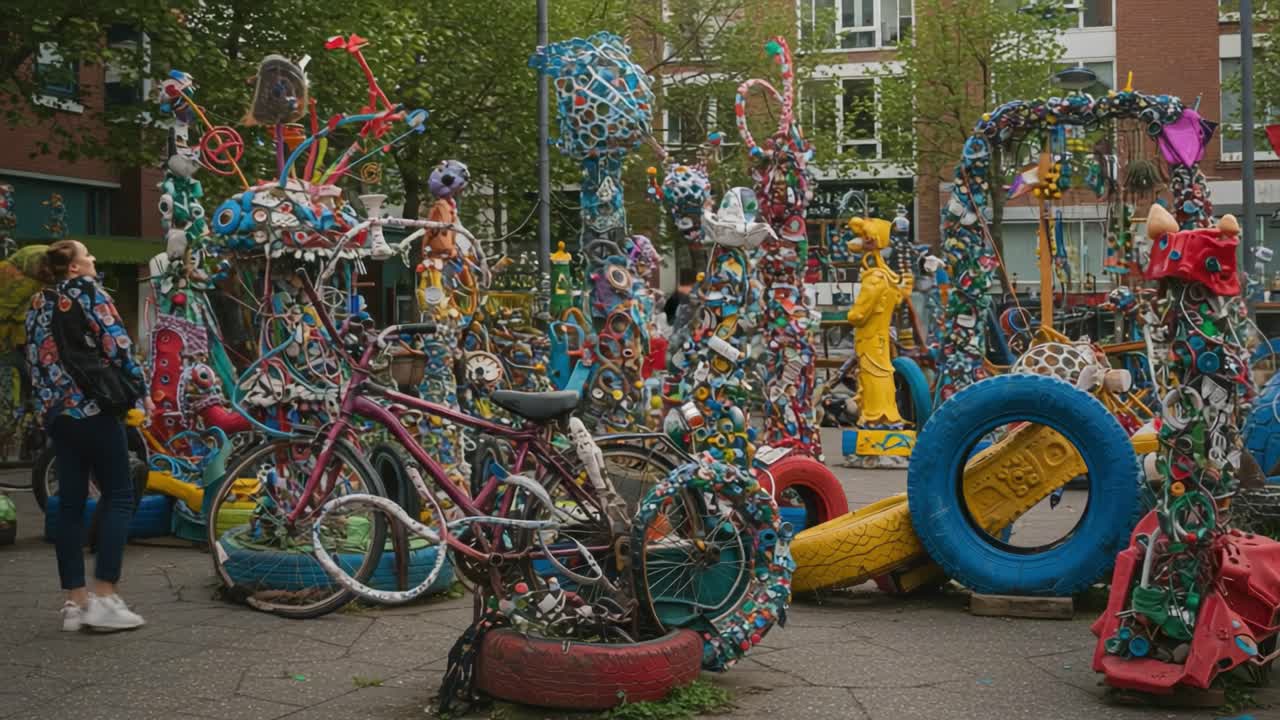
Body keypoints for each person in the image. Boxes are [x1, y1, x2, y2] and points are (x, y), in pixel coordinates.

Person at [26, 240, 150, 632]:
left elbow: (34, 362)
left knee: (69, 505)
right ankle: (106, 596)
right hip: (94, 409)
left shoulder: (38, 303)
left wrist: (47, 410)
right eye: (87, 255)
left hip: (58, 415)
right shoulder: (89, 293)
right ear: (74, 268)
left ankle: (75, 602)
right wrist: (139, 390)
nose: (93, 259)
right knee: (119, 495)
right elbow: (118, 345)